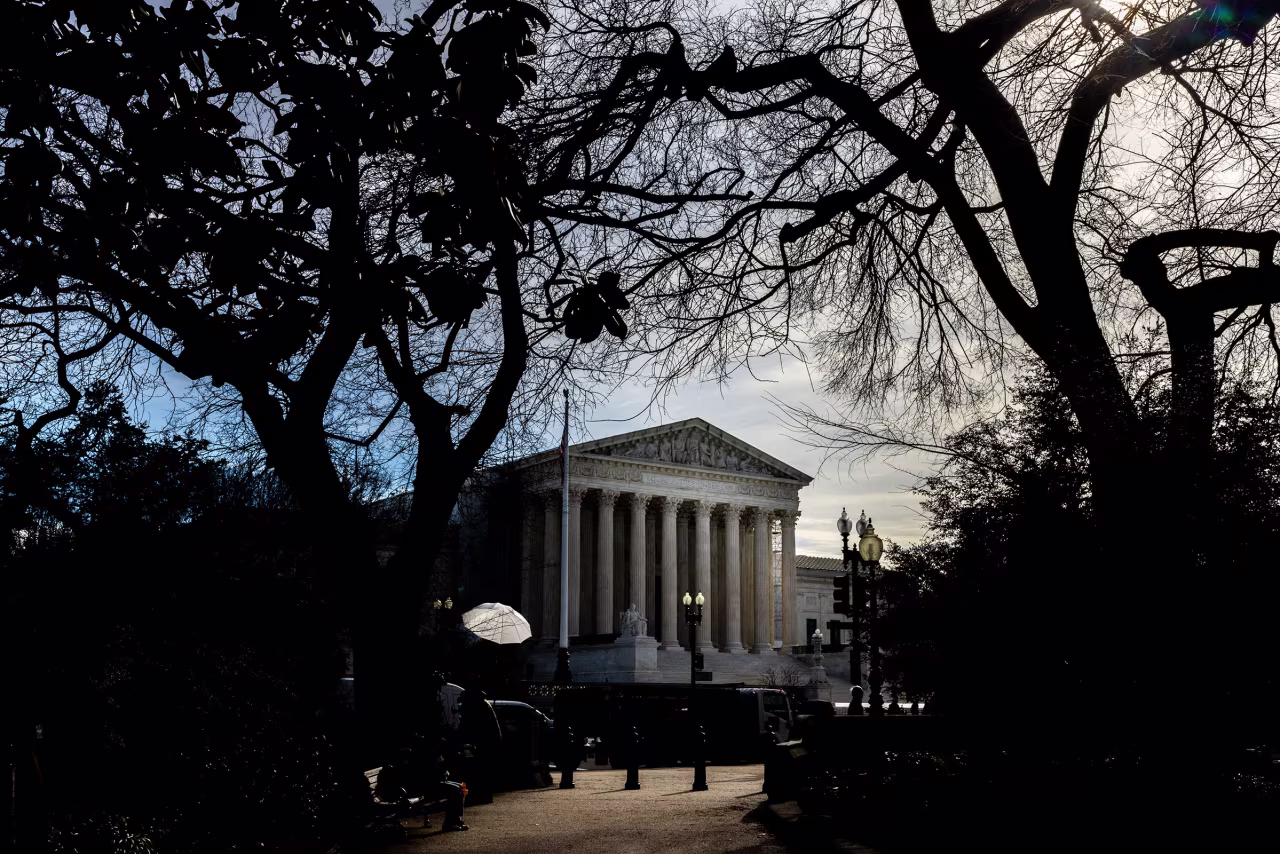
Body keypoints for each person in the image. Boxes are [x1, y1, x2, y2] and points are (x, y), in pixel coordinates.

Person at [458, 689, 503, 804]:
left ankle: (479, 796)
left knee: (480, 771)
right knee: (486, 771)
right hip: (489, 742)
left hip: (485, 743)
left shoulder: (476, 707)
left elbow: (469, 726)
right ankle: (485, 796)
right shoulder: (483, 704)